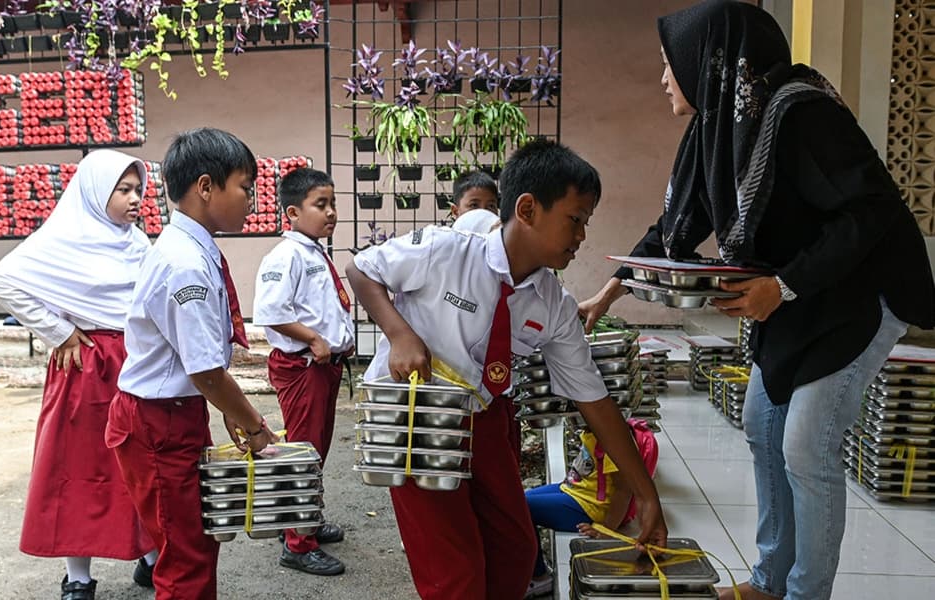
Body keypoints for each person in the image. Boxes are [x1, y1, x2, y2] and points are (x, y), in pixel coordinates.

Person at [578, 2, 935, 599]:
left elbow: (870, 211)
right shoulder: (718, 130)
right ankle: (770, 582)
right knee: (761, 421)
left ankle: (804, 593)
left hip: (861, 294)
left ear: (706, 62)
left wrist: (783, 285)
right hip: (803, 298)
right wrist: (611, 290)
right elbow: (675, 225)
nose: (663, 78)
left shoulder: (801, 114)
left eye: (670, 65)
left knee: (806, 441)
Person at [346, 139, 668, 600]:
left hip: (485, 420)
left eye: (585, 224)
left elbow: (594, 401)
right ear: (529, 208)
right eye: (575, 221)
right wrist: (399, 334)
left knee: (515, 549)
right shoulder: (447, 250)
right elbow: (361, 269)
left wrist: (646, 494)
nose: (581, 238)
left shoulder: (553, 305)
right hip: (417, 417)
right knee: (456, 572)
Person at [104, 128, 278, 600]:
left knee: (194, 542)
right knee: (185, 557)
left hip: (175, 415)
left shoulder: (193, 249)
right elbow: (203, 370)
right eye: (245, 186)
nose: (252, 199)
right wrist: (256, 426)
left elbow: (199, 361)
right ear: (206, 187)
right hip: (158, 423)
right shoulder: (186, 263)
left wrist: (225, 408)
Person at [0, 150, 156, 600]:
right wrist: (59, 331)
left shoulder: (138, 243)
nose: (134, 199)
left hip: (134, 362)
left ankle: (151, 557)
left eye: (138, 189)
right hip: (86, 364)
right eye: (123, 190)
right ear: (96, 192)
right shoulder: (61, 240)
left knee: (137, 463)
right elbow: (1, 282)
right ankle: (77, 576)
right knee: (78, 467)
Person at [252, 168, 354, 576]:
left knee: (314, 450)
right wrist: (313, 339)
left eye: (333, 204)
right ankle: (298, 544)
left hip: (324, 367)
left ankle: (300, 520)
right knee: (303, 454)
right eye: (321, 204)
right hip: (304, 367)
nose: (331, 212)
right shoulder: (286, 254)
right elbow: (271, 312)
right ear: (293, 212)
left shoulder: (314, 251)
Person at [524, 419, 658, 599]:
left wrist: (605, 529)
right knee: (519, 500)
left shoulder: (611, 435)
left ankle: (539, 576)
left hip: (588, 507)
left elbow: (623, 491)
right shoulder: (595, 426)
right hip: (574, 490)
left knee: (523, 508)